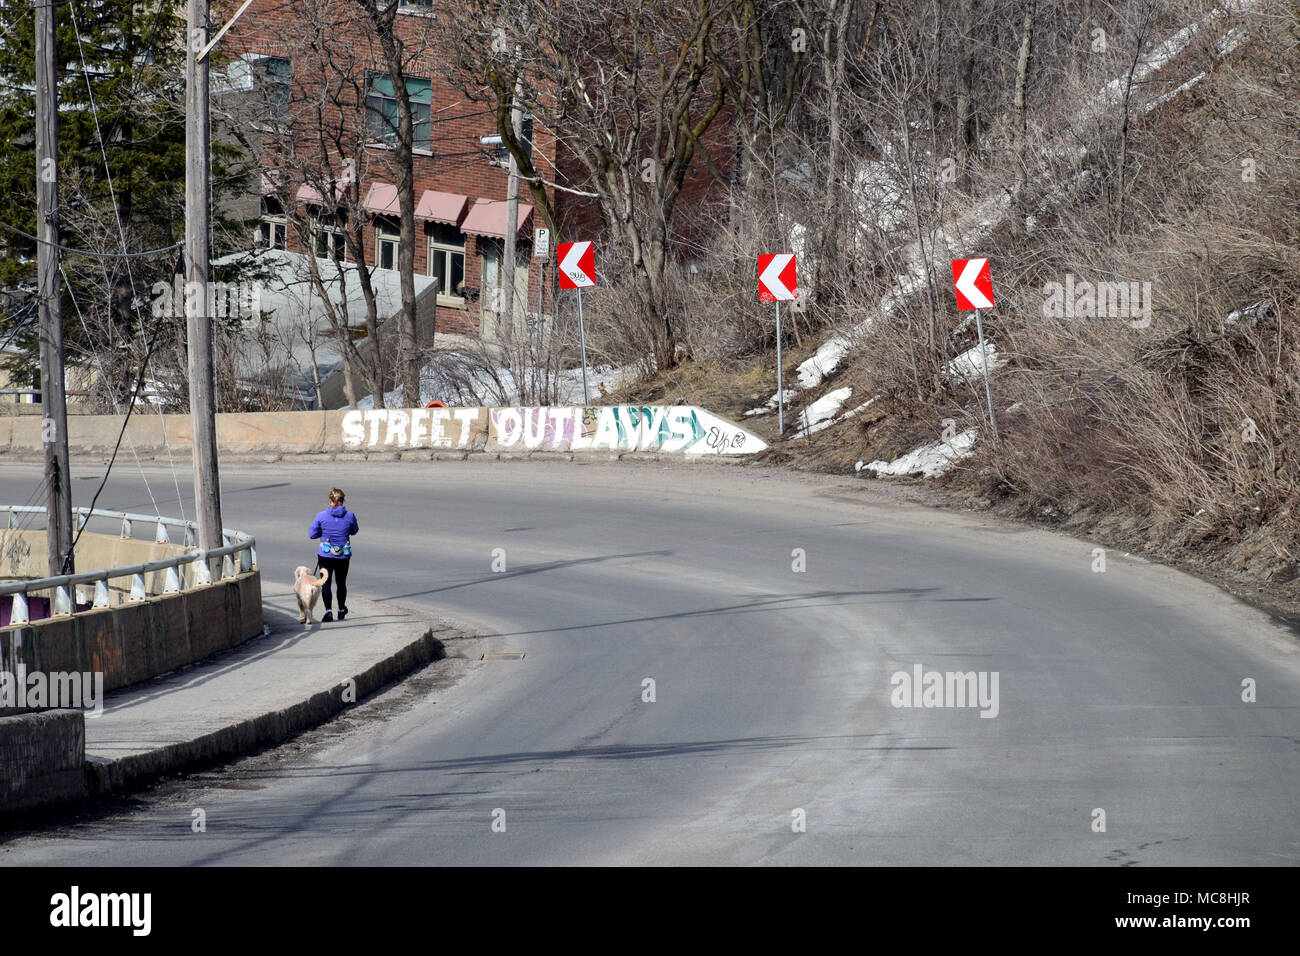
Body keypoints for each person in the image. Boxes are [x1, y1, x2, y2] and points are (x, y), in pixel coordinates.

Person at [308, 487, 358, 622]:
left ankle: (328, 612)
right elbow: (354, 530)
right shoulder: (350, 516)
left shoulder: (321, 516)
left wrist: (323, 533)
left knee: (326, 584)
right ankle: (341, 610)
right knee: (341, 583)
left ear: (330, 500)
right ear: (343, 500)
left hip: (325, 555)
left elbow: (312, 534)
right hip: (343, 555)